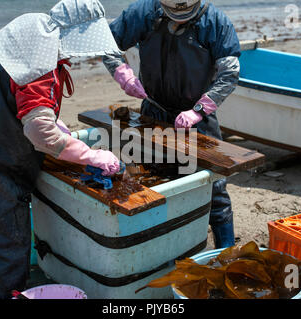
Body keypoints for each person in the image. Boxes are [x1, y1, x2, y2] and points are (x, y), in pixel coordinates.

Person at [0, 0, 121, 299]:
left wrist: (62, 129)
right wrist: (91, 155)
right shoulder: (39, 66)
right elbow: (39, 131)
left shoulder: (34, 51)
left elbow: (32, 112)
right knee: (6, 247)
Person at [103, 0, 241, 249]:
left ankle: (226, 249)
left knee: (214, 189)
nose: (179, 20)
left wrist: (199, 110)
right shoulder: (143, 13)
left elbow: (229, 74)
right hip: (153, 112)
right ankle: (161, 247)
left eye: (185, 16)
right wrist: (122, 74)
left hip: (197, 118)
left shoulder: (216, 22)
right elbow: (105, 43)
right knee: (149, 181)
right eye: (173, 15)